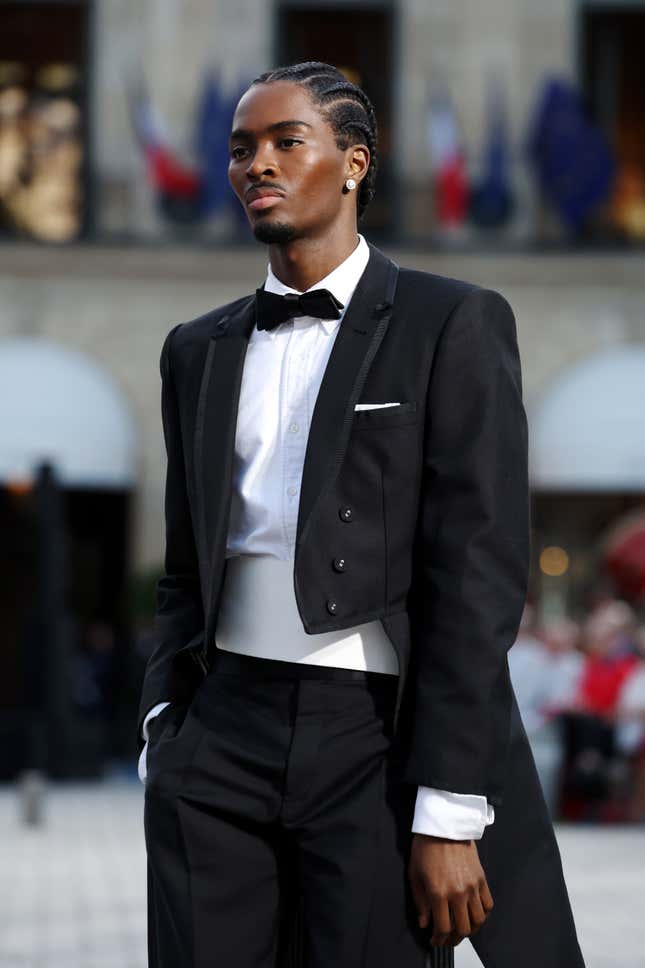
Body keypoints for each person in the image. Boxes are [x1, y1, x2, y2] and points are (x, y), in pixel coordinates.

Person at [137, 61, 586, 968]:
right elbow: (187, 565)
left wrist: (450, 808)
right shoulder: (196, 349)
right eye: (239, 149)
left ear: (352, 162)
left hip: (373, 739)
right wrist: (161, 728)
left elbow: (479, 575)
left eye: (284, 142)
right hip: (217, 735)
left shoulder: (451, 322)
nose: (255, 164)